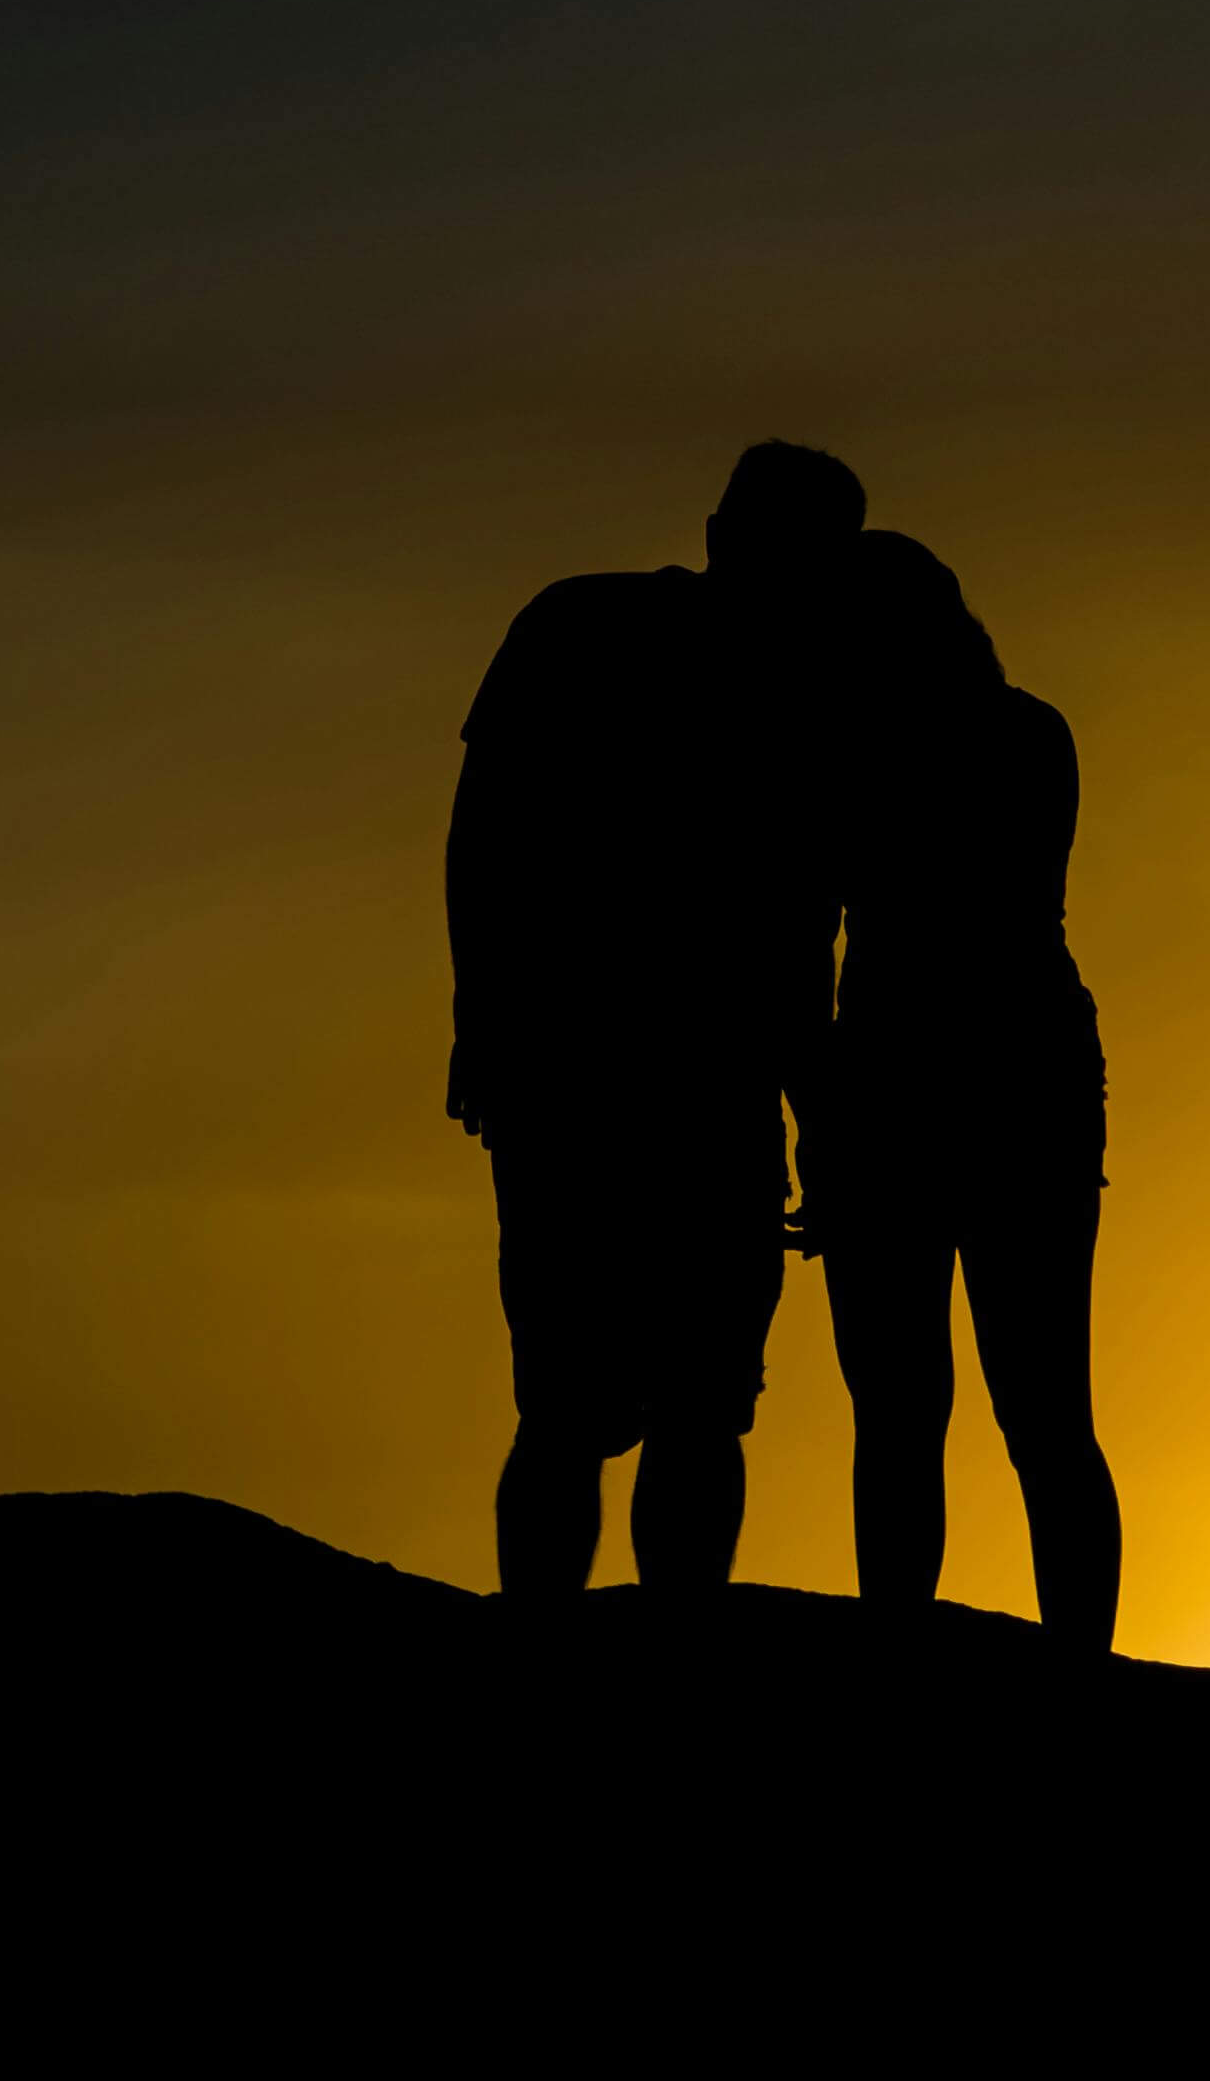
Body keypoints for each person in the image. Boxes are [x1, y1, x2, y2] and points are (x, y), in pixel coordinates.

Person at [444, 441, 863, 1593]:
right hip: (624, 1082)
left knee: (624, 1409)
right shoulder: (788, 698)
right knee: (644, 1410)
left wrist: (484, 1019)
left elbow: (485, 841)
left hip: (615, 1081)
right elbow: (487, 838)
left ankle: (598, 1650)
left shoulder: (583, 626)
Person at [804, 527, 1123, 1651]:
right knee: (1031, 1415)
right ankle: (1063, 1668)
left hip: (920, 1081)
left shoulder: (858, 754)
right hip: (1012, 1074)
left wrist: (820, 1119)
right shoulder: (1032, 732)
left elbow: (820, 920)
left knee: (916, 1415)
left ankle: (912, 1656)